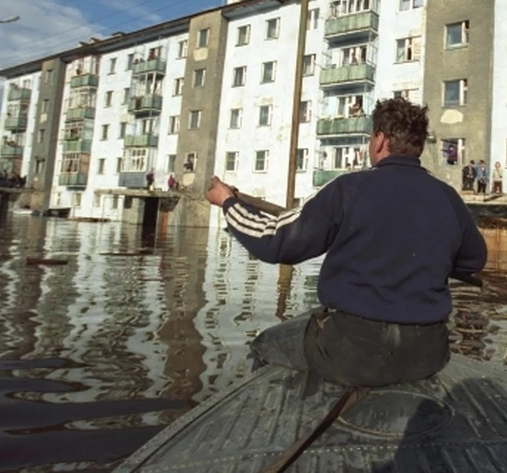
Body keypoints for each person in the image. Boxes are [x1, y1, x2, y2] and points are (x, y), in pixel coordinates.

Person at [206, 97, 487, 387]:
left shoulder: (348, 189)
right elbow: (473, 261)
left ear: (379, 140)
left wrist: (228, 202)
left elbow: (276, 241)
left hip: (353, 351)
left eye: (370, 138)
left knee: (265, 344)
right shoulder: (448, 198)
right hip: (427, 352)